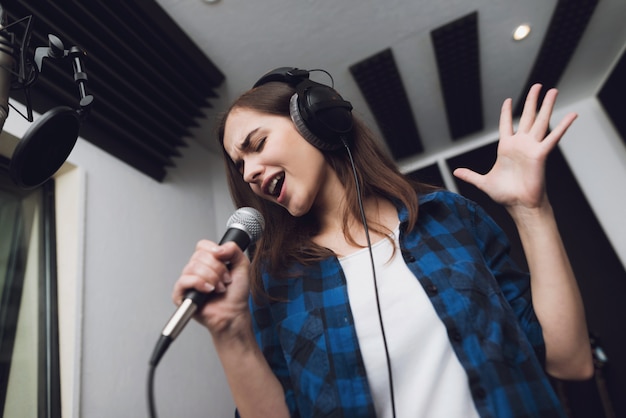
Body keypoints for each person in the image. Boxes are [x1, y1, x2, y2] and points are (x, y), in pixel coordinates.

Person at [172, 67, 593, 417]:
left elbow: (569, 359)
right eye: (240, 163)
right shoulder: (272, 282)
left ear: (316, 120)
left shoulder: (450, 217)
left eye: (258, 144)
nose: (248, 173)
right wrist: (230, 334)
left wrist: (530, 210)